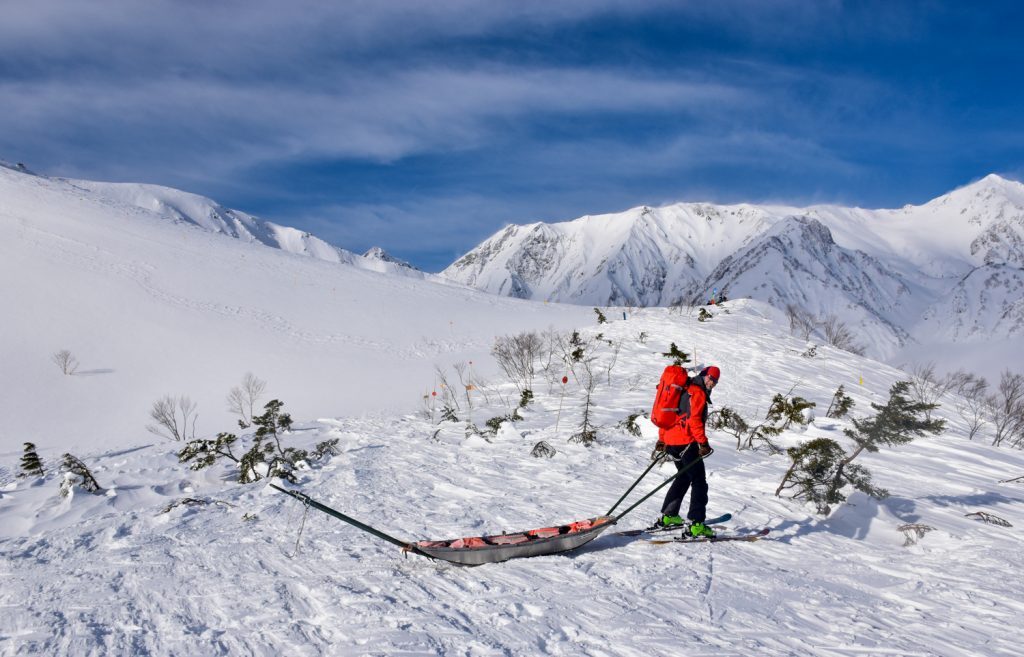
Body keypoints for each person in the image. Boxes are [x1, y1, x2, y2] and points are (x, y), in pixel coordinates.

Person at [655, 365, 720, 537]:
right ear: (703, 375)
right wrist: (703, 443)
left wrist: (662, 438)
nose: (712, 383)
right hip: (686, 442)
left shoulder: (683, 389)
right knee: (699, 481)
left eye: (715, 381)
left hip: (672, 441)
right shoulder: (696, 392)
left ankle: (669, 516)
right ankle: (697, 524)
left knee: (683, 476)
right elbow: (695, 422)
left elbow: (668, 414)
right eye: (710, 378)